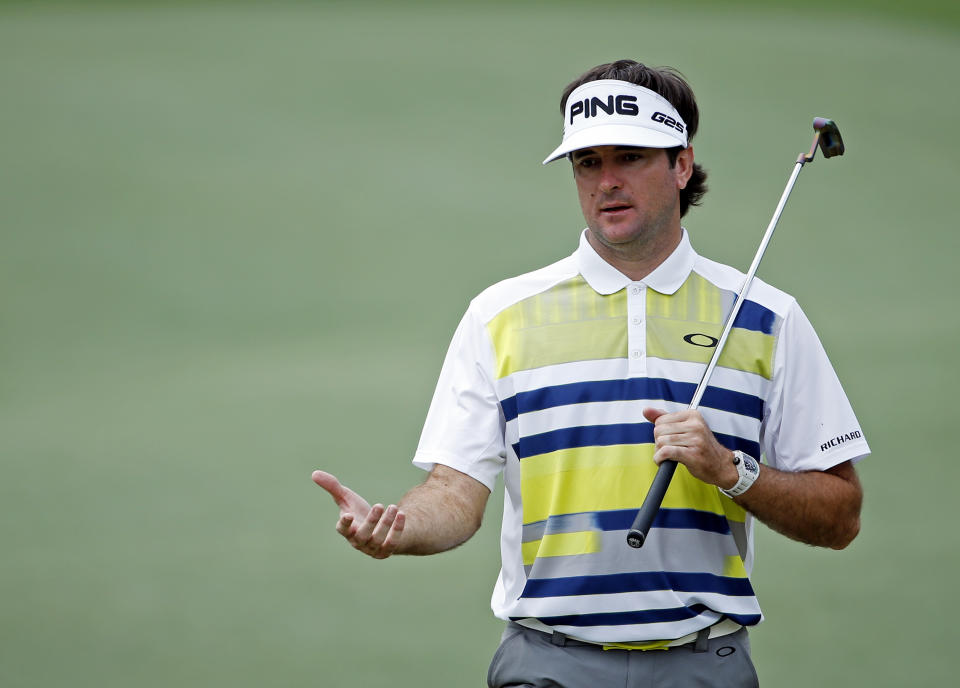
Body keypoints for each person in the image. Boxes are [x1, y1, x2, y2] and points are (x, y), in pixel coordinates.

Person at [312, 59, 868, 687]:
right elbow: (455, 493)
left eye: (629, 156)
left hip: (702, 663)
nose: (607, 181)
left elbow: (840, 516)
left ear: (681, 164)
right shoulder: (500, 315)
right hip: (547, 662)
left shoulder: (767, 317)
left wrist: (730, 471)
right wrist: (400, 529)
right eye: (587, 162)